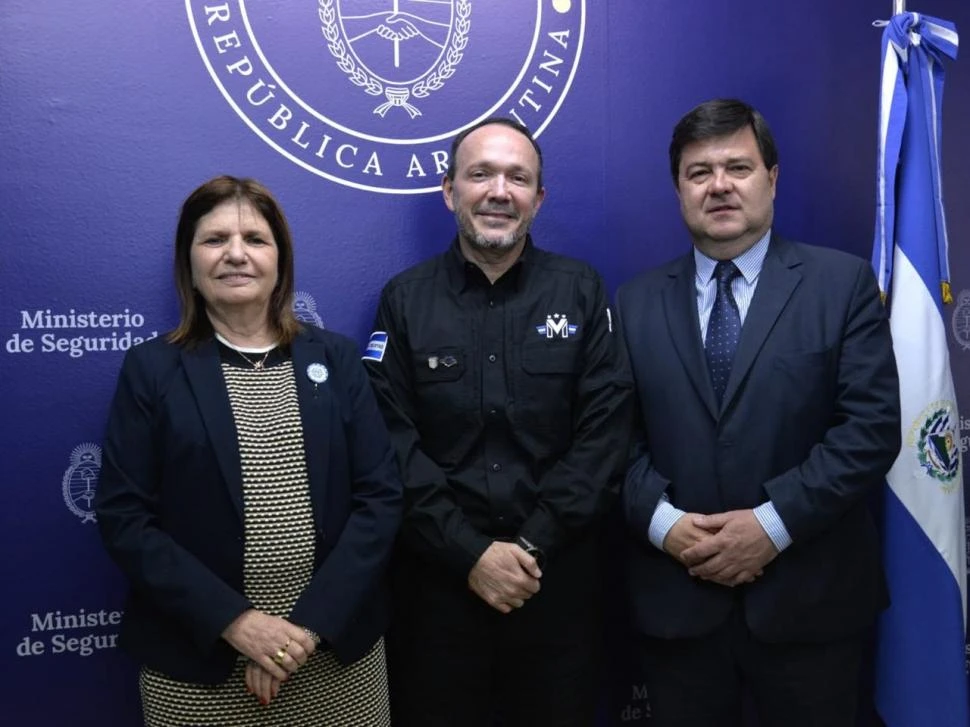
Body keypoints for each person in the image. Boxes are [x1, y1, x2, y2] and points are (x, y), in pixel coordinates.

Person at [615, 99, 901, 727]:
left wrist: (770, 527)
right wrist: (666, 526)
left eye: (738, 167)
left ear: (772, 178)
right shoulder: (632, 304)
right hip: (678, 612)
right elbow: (611, 444)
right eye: (699, 172)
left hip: (810, 611)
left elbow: (870, 432)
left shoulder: (841, 284)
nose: (719, 185)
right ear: (678, 189)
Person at [94, 175, 402, 726]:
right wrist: (238, 623)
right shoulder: (151, 369)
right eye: (214, 240)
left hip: (334, 660)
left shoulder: (335, 358)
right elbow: (125, 518)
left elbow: (379, 499)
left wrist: (305, 630)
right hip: (200, 666)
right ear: (188, 261)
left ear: (280, 258)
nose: (236, 255)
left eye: (255, 239)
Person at [362, 117, 634, 726]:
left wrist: (528, 547)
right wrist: (470, 554)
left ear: (538, 198)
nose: (498, 190)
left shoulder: (582, 291)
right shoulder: (404, 300)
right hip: (438, 595)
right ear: (449, 190)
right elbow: (390, 443)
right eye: (480, 173)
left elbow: (605, 438)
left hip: (556, 590)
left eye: (518, 177)